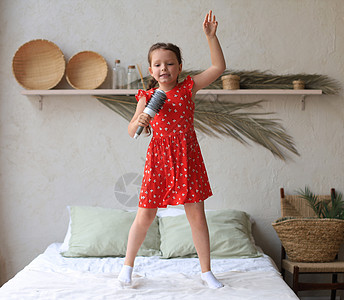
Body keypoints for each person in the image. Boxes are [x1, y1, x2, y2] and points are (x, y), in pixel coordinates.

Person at [118, 10, 226, 289]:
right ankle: (127, 268)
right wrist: (139, 120)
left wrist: (211, 38)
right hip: (158, 161)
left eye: (169, 63)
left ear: (179, 67)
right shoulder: (146, 96)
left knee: (197, 217)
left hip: (188, 158)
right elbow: (132, 131)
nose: (163, 68)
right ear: (151, 69)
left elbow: (218, 68)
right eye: (157, 64)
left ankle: (206, 272)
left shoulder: (189, 87)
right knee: (145, 216)